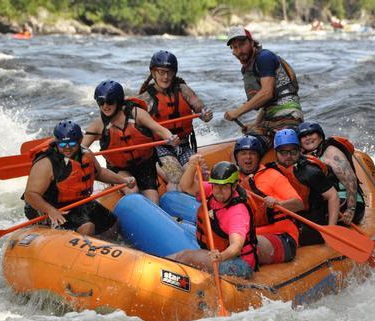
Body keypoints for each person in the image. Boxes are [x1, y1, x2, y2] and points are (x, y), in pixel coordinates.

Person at [23, 120, 135, 236]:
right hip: (48, 207)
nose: (67, 148)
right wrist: (51, 211)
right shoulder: (46, 163)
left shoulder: (85, 153)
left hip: (76, 202)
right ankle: (82, 249)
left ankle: (108, 248)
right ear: (57, 143)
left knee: (112, 223)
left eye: (72, 144)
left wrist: (123, 181)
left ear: (80, 141)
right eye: (62, 144)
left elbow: (99, 173)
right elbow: (30, 194)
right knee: (87, 227)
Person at [82, 80, 179, 204]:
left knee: (154, 201)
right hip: (119, 169)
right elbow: (81, 148)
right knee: (132, 190)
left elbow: (159, 129)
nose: (105, 106)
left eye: (110, 102)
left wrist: (171, 137)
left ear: (118, 101)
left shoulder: (136, 114)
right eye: (101, 102)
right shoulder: (98, 125)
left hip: (145, 166)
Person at [136, 51, 213, 190]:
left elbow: (198, 106)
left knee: (203, 175)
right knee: (177, 179)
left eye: (169, 72)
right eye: (161, 72)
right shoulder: (145, 98)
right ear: (153, 72)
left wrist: (204, 113)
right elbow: (135, 125)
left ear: (174, 73)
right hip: (160, 149)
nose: (165, 77)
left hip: (184, 146)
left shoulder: (183, 89)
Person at [170, 159, 258, 278]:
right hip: (218, 253)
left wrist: (221, 256)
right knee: (184, 255)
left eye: (225, 187)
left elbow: (236, 246)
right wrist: (192, 166)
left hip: (239, 264)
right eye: (216, 185)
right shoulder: (212, 190)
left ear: (234, 186)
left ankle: (156, 271)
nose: (219, 191)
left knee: (186, 257)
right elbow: (186, 186)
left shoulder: (238, 212)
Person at [224, 26, 303, 154]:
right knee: (244, 148)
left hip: (289, 117)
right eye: (235, 47)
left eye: (242, 44)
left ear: (251, 42)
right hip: (270, 120)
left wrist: (237, 112)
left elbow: (266, 93)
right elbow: (266, 104)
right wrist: (256, 125)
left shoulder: (264, 58)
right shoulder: (248, 68)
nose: (239, 50)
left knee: (254, 148)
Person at [234, 135, 304, 264]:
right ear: (237, 159)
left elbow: (299, 204)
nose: (248, 157)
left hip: (283, 236)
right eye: (243, 153)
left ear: (258, 157)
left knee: (243, 244)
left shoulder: (272, 176)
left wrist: (278, 203)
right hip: (253, 233)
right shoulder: (233, 181)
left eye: (252, 154)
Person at [265, 129, 340, 246]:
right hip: (288, 219)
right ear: (276, 152)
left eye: (293, 152)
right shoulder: (270, 170)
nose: (288, 156)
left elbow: (333, 196)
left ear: (299, 150)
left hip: (313, 221)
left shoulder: (310, 172)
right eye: (283, 152)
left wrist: (331, 231)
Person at [297, 121, 365, 226]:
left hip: (347, 201)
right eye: (303, 136)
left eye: (311, 134)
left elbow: (350, 178)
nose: (308, 138)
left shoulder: (330, 152)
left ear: (320, 136)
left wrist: (351, 209)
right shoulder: (305, 158)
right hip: (327, 201)